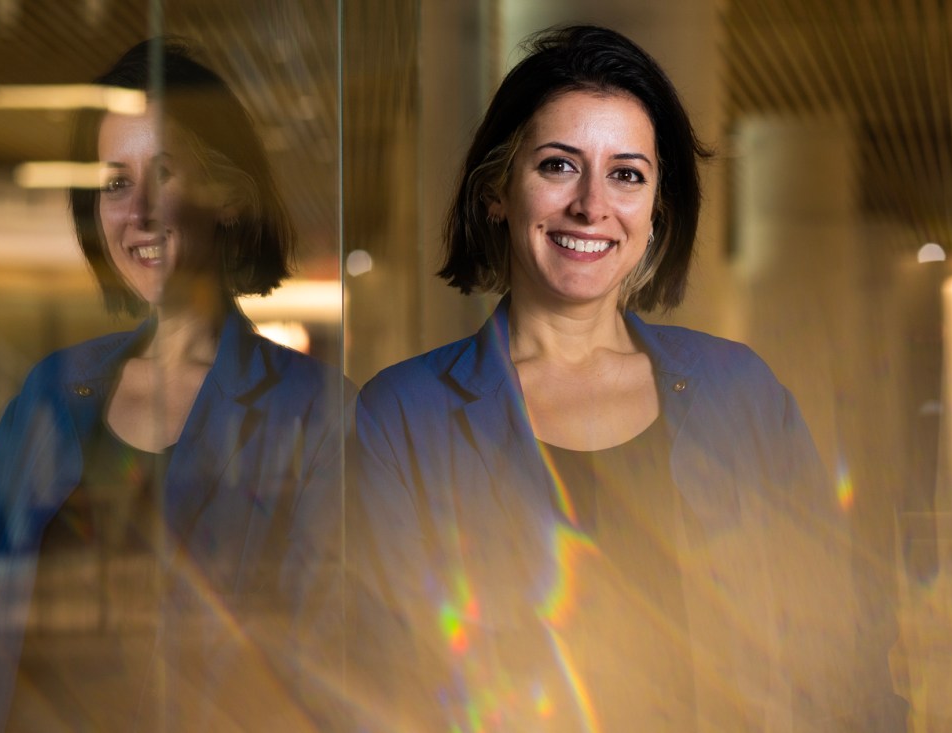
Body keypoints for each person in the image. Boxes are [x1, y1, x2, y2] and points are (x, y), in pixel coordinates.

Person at [349, 24, 905, 732]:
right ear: (496, 190)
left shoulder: (741, 392)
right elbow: (383, 684)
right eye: (558, 165)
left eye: (627, 173)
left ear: (655, 212)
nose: (592, 204)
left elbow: (844, 640)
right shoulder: (403, 417)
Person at [0, 38, 350, 732]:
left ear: (230, 198)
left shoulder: (315, 411)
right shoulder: (52, 390)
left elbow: (326, 661)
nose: (135, 211)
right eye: (114, 181)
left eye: (162, 172)